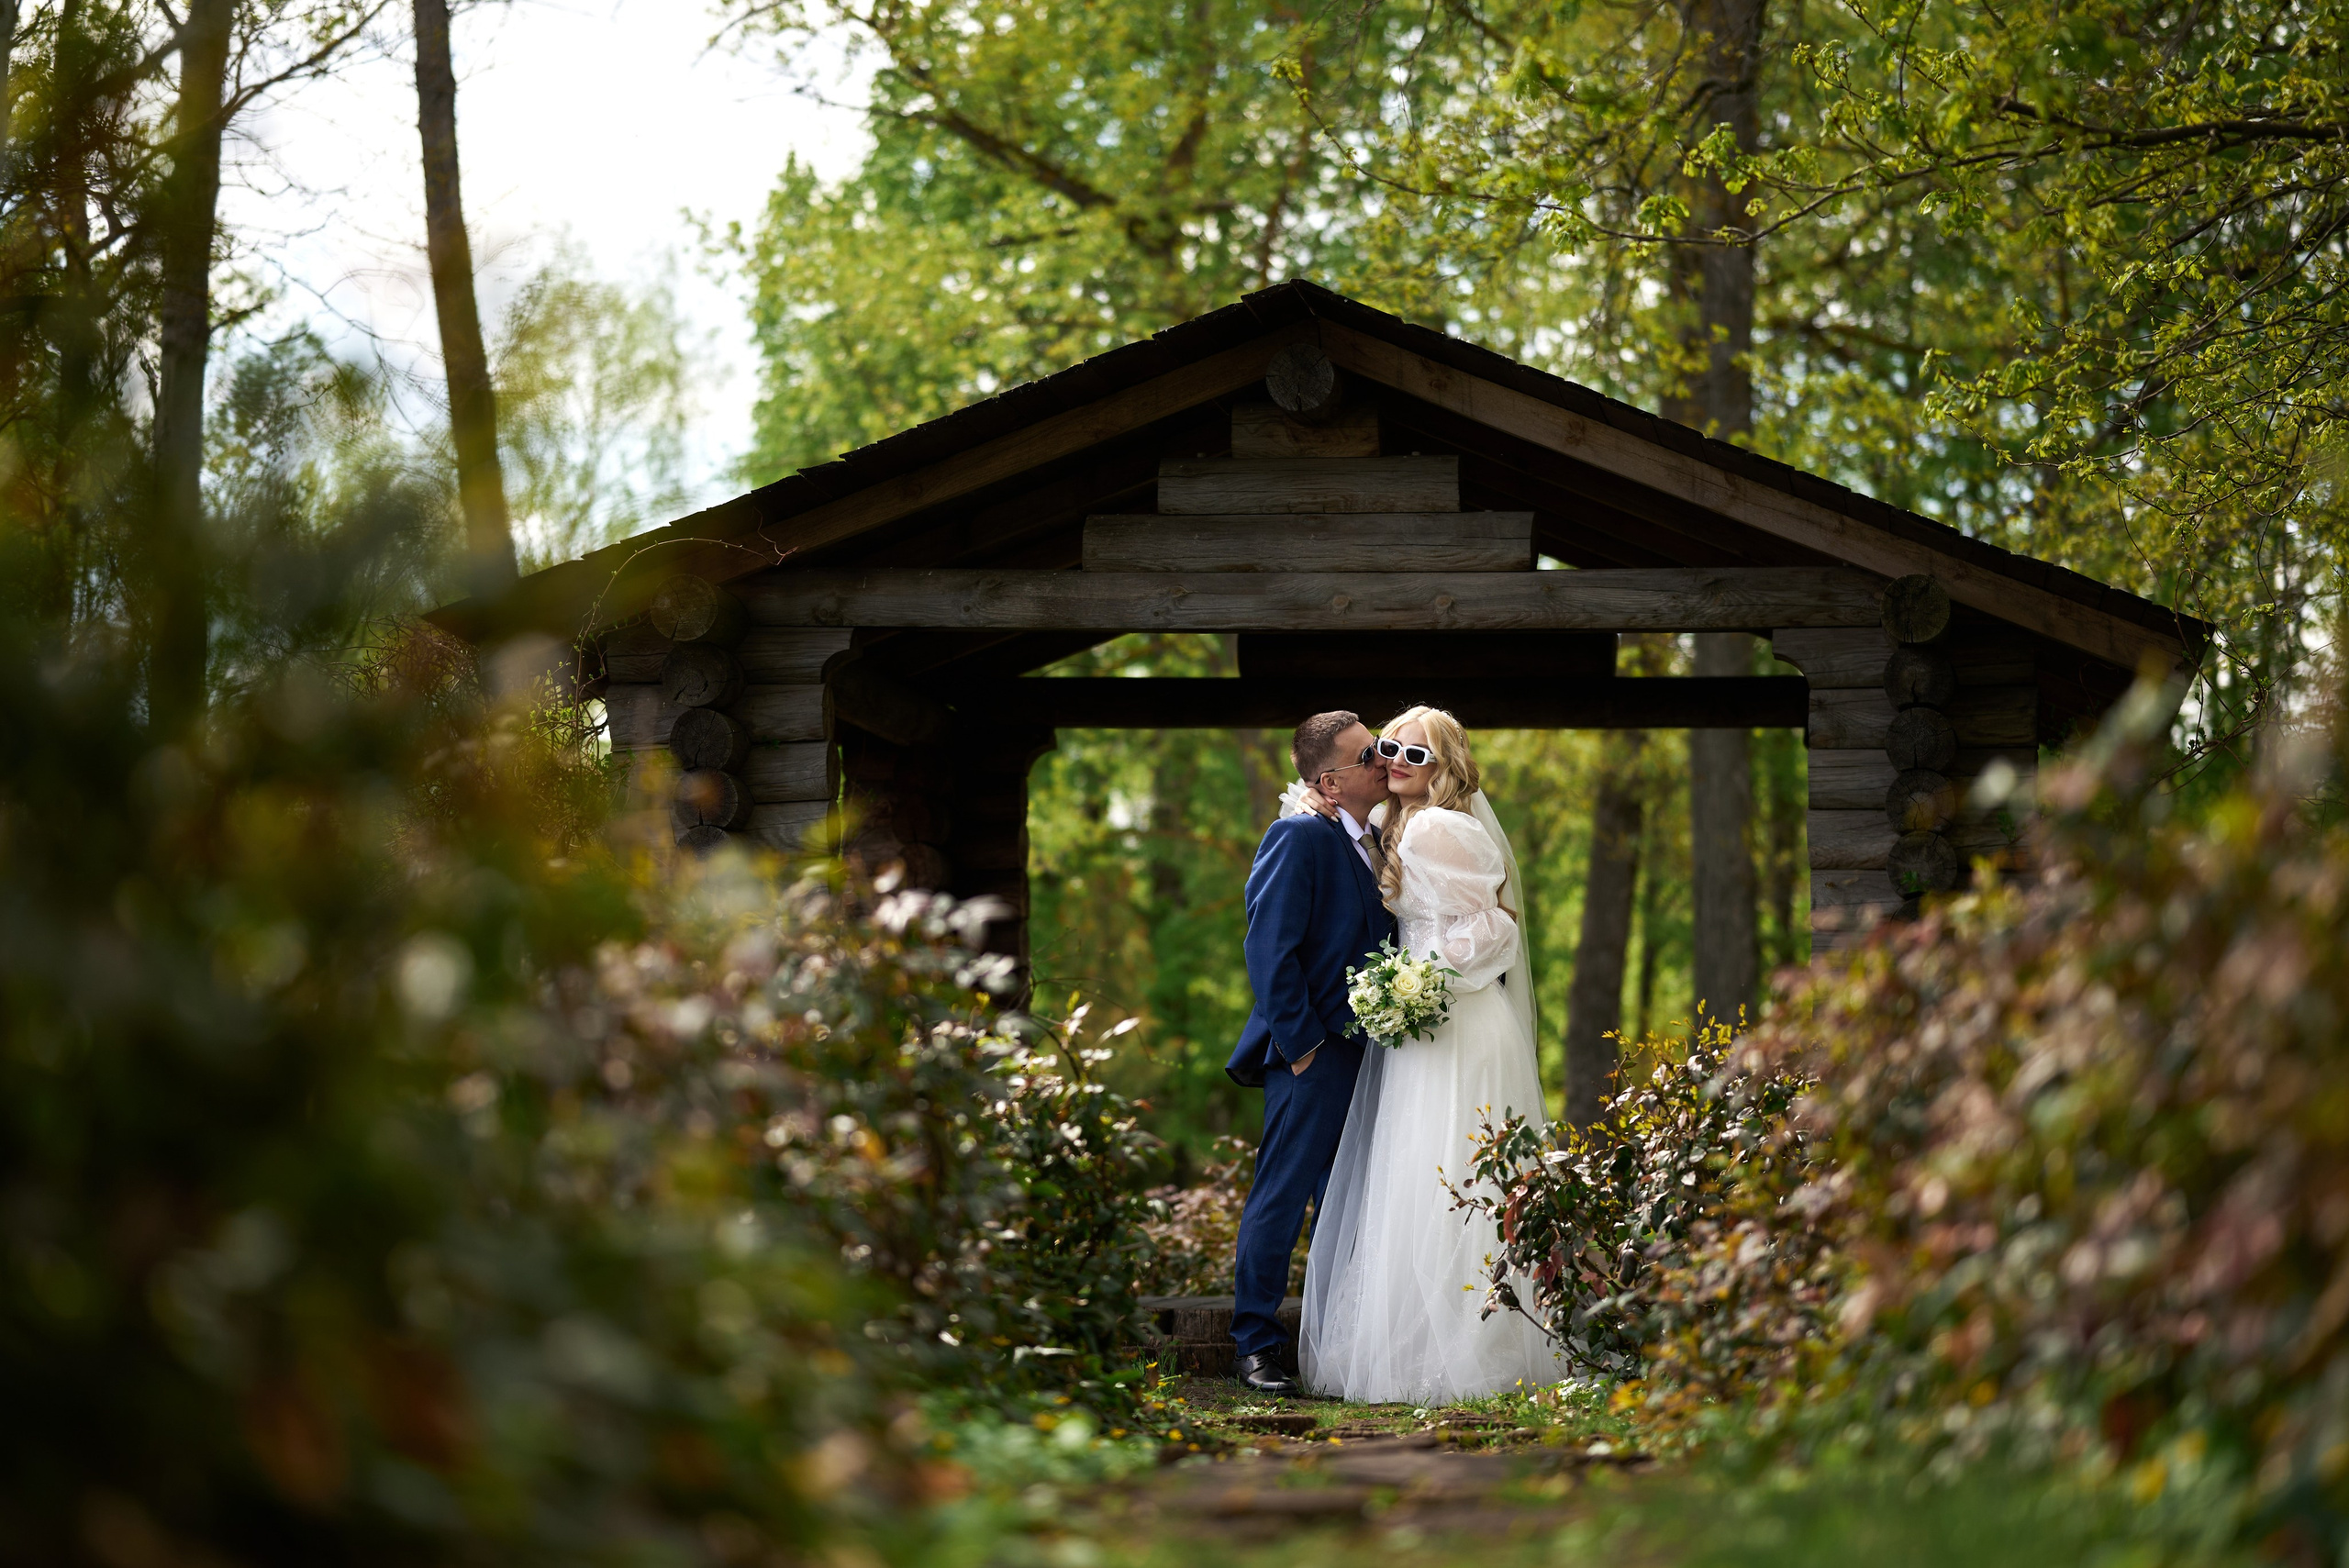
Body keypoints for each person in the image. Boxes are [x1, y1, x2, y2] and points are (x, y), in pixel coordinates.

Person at [1297, 706, 1559, 1402]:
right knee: (1415, 1170)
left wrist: (1420, 981)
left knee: (1459, 1170)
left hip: (1461, 1023)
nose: (1396, 762)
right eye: (1390, 748)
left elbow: (1494, 927)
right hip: (1420, 1028)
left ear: (1445, 768)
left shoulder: (1442, 827)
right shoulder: (1394, 822)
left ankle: (1482, 1346)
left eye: (1417, 755)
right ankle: (1412, 1346)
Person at [1223, 710, 1397, 1396]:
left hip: (1369, 1055)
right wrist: (1304, 1048)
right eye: (1368, 754)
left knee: (1346, 1202)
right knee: (1281, 1196)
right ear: (1330, 781)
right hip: (1312, 1054)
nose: (1383, 759)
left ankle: (1333, 1347)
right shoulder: (1297, 835)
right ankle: (1254, 1346)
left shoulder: (1373, 839)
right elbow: (1269, 950)